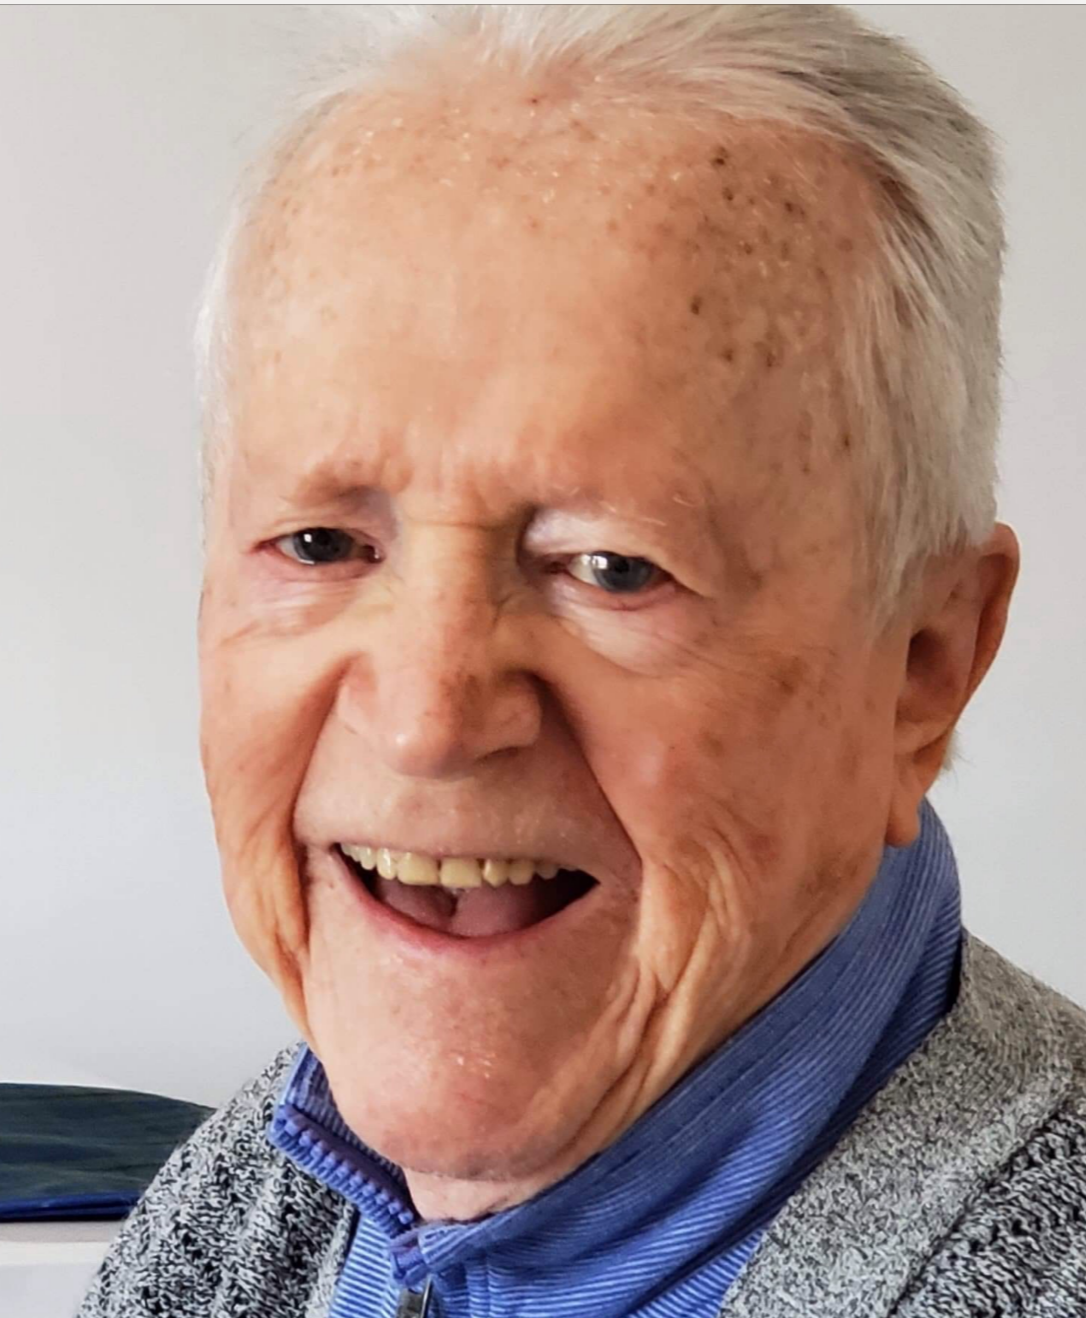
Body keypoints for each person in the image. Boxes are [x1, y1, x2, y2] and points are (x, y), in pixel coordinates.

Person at [79, 6, 1086, 1316]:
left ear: (922, 667)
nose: (426, 720)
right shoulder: (239, 1205)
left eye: (612, 567)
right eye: (321, 543)